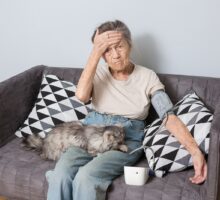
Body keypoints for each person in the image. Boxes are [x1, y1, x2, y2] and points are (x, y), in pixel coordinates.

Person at [46, 20, 207, 200]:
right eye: (107, 50)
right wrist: (95, 53)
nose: (115, 55)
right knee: (60, 174)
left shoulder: (147, 76)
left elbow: (168, 116)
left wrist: (195, 151)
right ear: (102, 54)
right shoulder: (96, 71)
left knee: (86, 177)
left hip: (126, 138)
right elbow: (82, 96)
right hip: (90, 135)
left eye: (119, 46)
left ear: (129, 45)